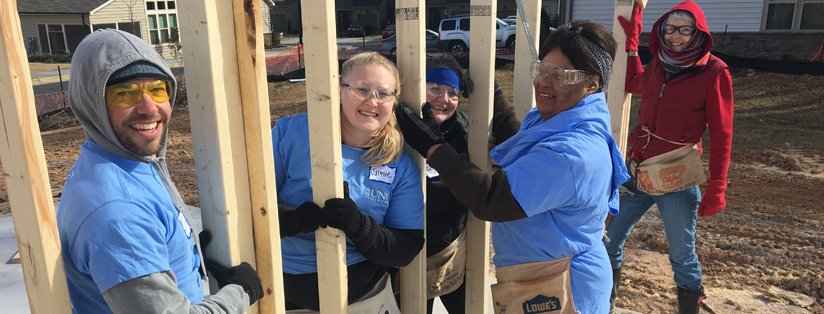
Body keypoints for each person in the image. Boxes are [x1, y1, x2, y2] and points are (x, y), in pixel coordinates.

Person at [396, 20, 629, 314]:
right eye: (542, 69)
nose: (545, 81)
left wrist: (432, 146)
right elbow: (526, 146)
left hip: (564, 286)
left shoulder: (573, 153)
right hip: (543, 275)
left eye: (561, 75)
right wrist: (493, 92)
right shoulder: (562, 117)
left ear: (593, 83)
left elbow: (491, 199)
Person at [56, 29, 263, 313]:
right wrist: (241, 291)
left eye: (157, 89)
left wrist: (184, 251)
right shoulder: (116, 212)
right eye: (125, 94)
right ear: (93, 103)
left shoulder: (123, 161)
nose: (148, 107)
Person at [605, 1, 734, 313]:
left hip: (677, 176)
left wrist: (718, 185)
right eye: (670, 29)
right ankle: (603, 303)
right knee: (607, 240)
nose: (676, 36)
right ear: (662, 30)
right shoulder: (660, 64)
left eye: (685, 30)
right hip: (637, 171)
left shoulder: (714, 72)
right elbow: (636, 84)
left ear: (698, 33)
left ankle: (690, 308)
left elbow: (722, 132)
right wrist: (632, 47)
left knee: (681, 254)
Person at [272, 52, 425, 312]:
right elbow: (250, 209)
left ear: (394, 100)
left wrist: (361, 228)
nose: (372, 101)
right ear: (340, 90)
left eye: (383, 93)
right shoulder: (290, 135)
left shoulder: (397, 162)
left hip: (364, 300)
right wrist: (290, 220)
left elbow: (406, 247)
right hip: (284, 295)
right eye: (362, 89)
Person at [420, 55, 516, 314]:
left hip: (456, 252)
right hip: (412, 255)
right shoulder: (404, 127)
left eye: (452, 92)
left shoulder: (467, 132)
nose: (443, 99)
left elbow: (514, 146)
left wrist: (493, 95)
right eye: (435, 89)